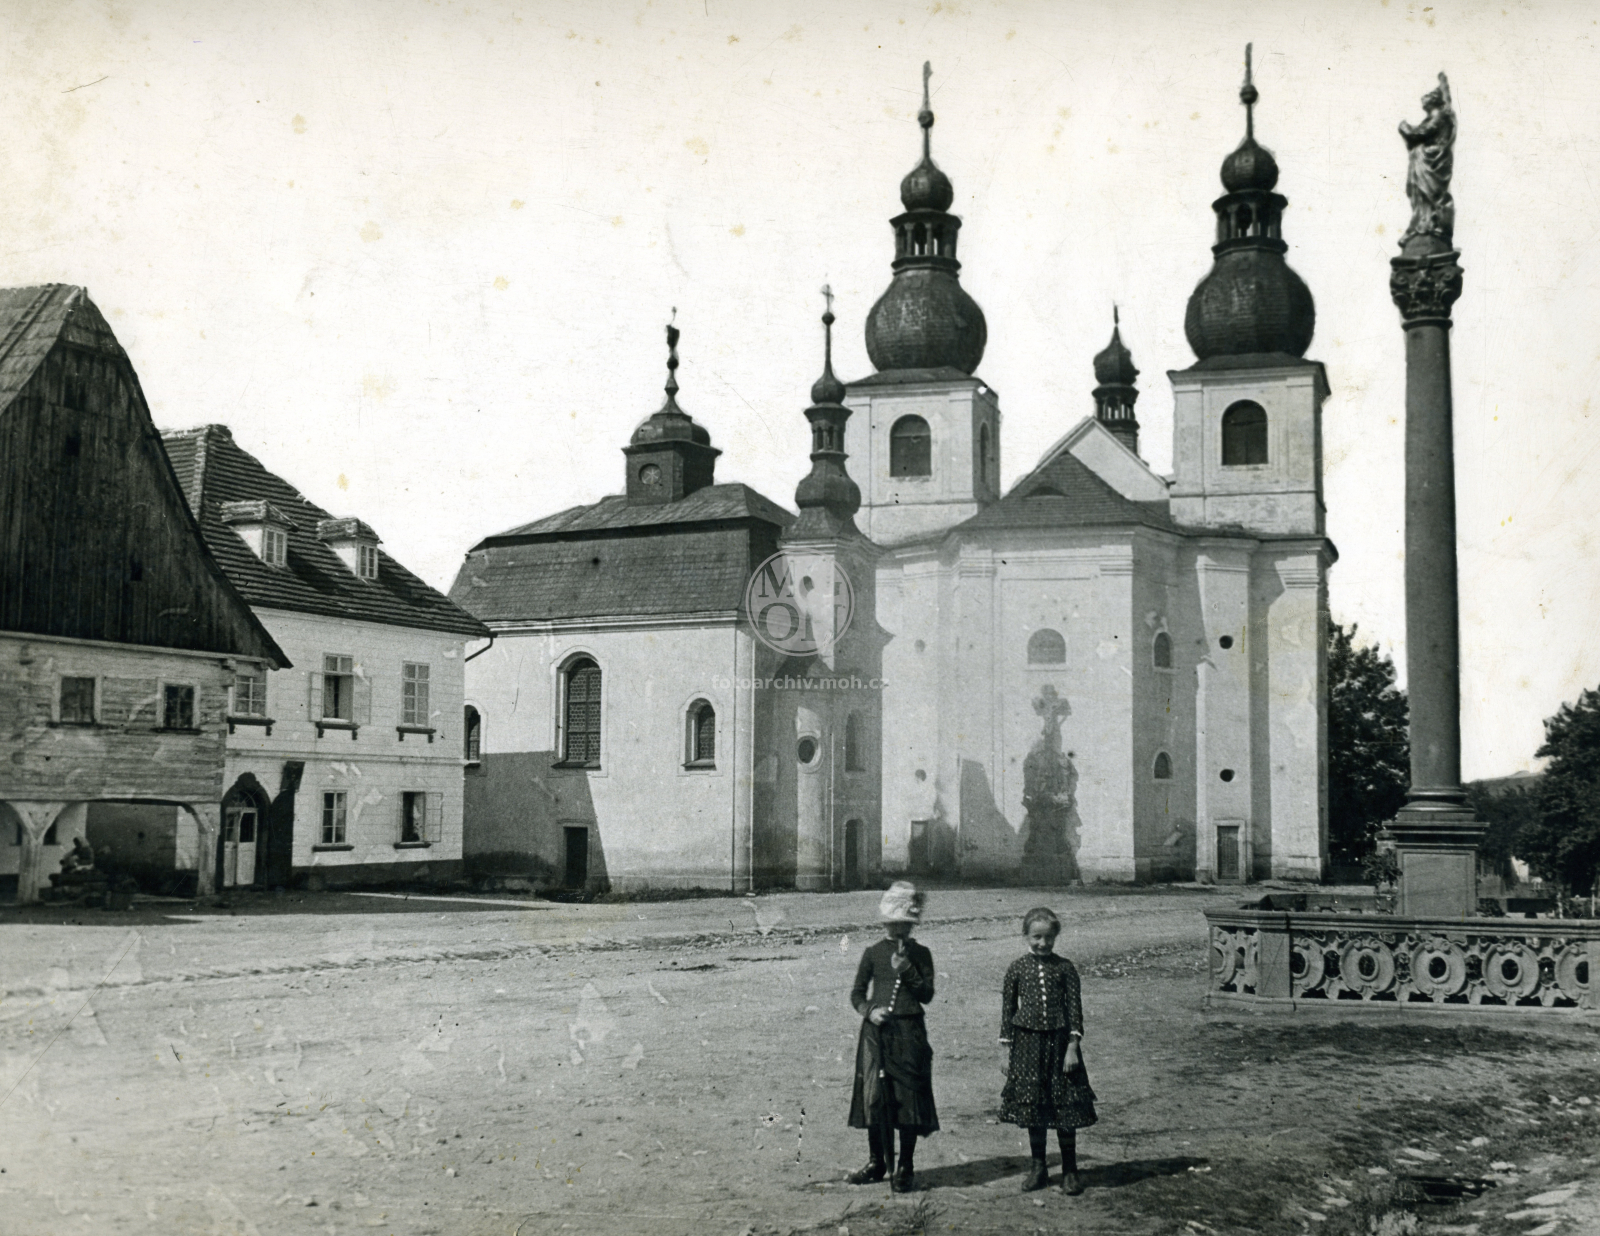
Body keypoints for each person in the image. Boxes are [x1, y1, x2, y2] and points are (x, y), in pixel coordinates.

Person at [845, 880, 939, 1193]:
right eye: (895, 924)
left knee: (907, 1098)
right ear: (886, 922)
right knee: (875, 1097)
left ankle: (905, 1167)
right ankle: (877, 1162)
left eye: (907, 926)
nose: (901, 931)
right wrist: (869, 1010)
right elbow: (857, 993)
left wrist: (909, 970)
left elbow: (926, 994)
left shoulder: (922, 954)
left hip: (910, 1032)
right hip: (876, 1033)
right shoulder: (872, 953)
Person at [999, 906, 1097, 1195]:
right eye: (1036, 937)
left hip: (1059, 1047)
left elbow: (1074, 1010)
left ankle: (1069, 1170)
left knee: (1065, 1107)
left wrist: (1073, 1047)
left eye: (1048, 938)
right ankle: (1039, 1167)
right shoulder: (1016, 968)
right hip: (1027, 1047)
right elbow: (1007, 1012)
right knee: (1034, 1107)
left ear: (1056, 937)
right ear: (1025, 936)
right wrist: (1005, 1049)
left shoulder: (1065, 968)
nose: (1042, 943)